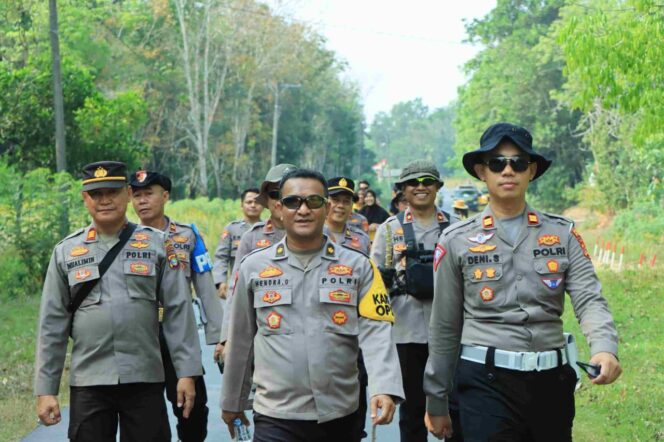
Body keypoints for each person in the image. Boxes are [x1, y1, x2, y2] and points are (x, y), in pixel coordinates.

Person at [424, 122, 622, 441]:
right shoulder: (457, 240)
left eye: (518, 163)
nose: (507, 171)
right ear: (481, 171)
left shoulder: (562, 233)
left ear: (531, 171)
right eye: (497, 163)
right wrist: (436, 398)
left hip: (551, 382)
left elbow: (589, 299)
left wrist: (604, 348)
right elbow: (445, 325)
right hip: (484, 383)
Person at [221, 168, 404, 441]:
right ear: (280, 208)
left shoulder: (359, 267)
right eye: (293, 202)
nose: (303, 210)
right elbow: (240, 341)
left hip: (340, 412)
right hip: (275, 415)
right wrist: (232, 402)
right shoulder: (253, 267)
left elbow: (376, 332)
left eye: (313, 202)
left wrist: (383, 387)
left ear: (327, 207)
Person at [34, 161, 202, 441]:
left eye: (112, 191)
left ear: (126, 193)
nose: (105, 200)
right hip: (89, 380)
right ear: (85, 198)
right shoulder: (66, 252)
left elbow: (178, 312)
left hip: (145, 377)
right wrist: (46, 389)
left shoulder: (158, 244)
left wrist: (187, 373)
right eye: (96, 194)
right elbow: (52, 324)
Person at [130, 170, 224, 442]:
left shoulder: (187, 235)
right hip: (140, 335)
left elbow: (205, 286)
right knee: (145, 411)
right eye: (137, 196)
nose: (143, 201)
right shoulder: (126, 237)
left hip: (178, 333)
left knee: (192, 408)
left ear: (166, 196)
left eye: (149, 194)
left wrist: (220, 338)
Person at [370, 160, 457, 442]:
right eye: (413, 183)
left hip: (451, 330)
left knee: (455, 407)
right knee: (413, 411)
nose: (421, 187)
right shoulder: (388, 230)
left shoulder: (456, 228)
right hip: (406, 331)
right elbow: (375, 284)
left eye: (427, 181)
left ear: (437, 187)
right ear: (403, 191)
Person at [214, 163, 297, 359]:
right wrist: (226, 338)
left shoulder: (322, 237)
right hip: (262, 333)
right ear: (267, 200)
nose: (281, 201)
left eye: (289, 194)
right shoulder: (250, 237)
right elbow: (235, 290)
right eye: (275, 194)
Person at [324, 176, 372, 438]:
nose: (340, 206)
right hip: (320, 320)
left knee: (356, 382)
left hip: (354, 323)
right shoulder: (310, 235)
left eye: (346, 201)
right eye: (335, 200)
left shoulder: (361, 240)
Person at [212, 187, 263, 298]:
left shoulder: (269, 229)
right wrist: (221, 281)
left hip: (263, 284)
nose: (253, 205)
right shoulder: (231, 229)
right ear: (241, 205)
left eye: (257, 202)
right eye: (249, 202)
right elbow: (221, 257)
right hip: (237, 285)